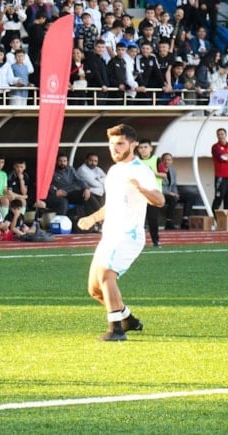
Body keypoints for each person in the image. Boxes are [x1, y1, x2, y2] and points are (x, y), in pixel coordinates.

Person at [77, 124, 163, 342]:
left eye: (120, 144)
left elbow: (160, 200)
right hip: (110, 235)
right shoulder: (114, 171)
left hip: (129, 235)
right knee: (95, 289)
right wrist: (92, 218)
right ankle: (127, 319)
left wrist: (142, 189)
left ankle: (116, 329)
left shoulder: (140, 170)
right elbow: (112, 205)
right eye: (112, 144)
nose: (115, 148)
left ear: (133, 145)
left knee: (106, 275)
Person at [211, 128, 228, 210]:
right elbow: (222, 157)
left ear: (225, 135)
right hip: (221, 177)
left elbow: (226, 157)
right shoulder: (215, 147)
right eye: (219, 134)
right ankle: (214, 220)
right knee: (218, 198)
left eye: (222, 134)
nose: (220, 136)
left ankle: (225, 221)